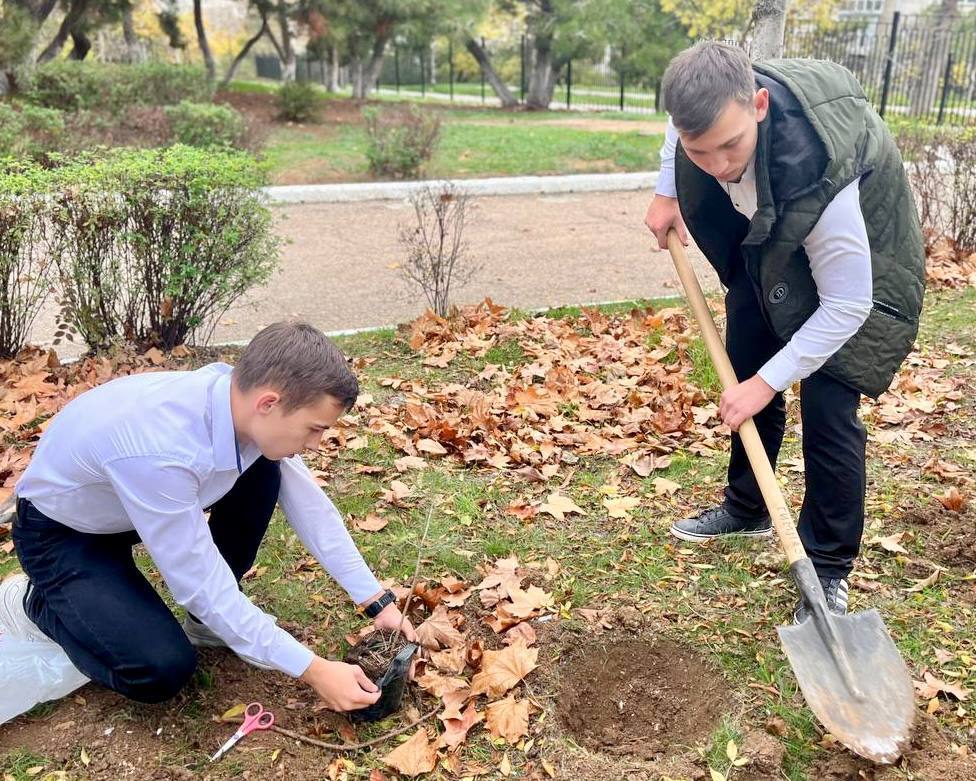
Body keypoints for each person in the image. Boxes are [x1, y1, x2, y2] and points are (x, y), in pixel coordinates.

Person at [643, 42, 925, 621]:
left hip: (859, 259)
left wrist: (768, 385)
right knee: (748, 350)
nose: (718, 165)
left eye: (730, 146)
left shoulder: (819, 171)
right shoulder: (702, 125)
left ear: (760, 105)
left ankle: (826, 564)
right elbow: (683, 134)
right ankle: (748, 507)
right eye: (702, 152)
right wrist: (666, 190)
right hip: (774, 232)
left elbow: (848, 304)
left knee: (828, 400)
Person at [0, 321, 415, 709]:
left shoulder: (240, 404)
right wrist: (314, 670)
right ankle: (34, 602)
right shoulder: (161, 451)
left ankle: (207, 627)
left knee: (266, 471)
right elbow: (201, 585)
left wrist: (376, 601)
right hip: (63, 533)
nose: (318, 443)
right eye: (314, 428)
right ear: (269, 402)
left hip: (128, 506)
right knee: (159, 669)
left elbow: (311, 508)